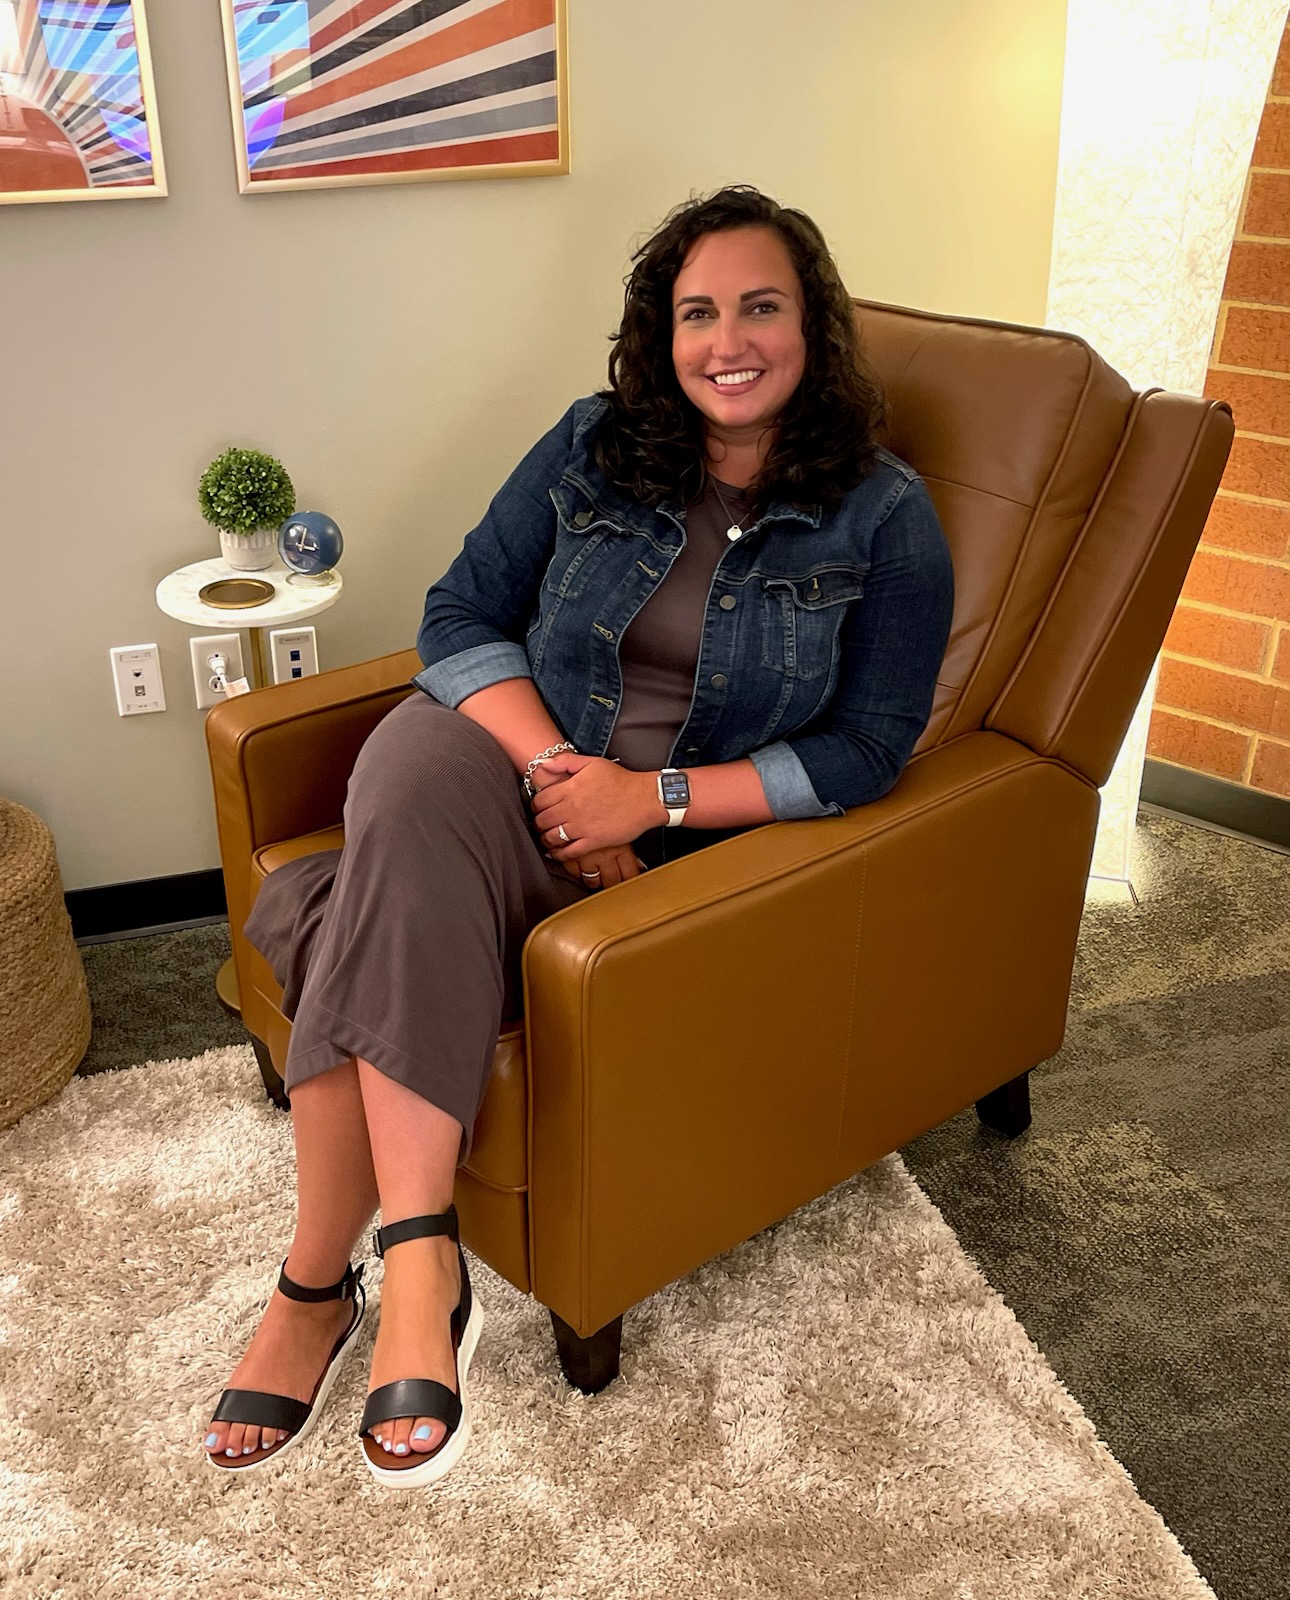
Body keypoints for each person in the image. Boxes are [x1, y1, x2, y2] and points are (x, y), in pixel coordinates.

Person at [200, 185, 955, 1489]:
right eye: (696, 312)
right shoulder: (593, 444)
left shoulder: (883, 516)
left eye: (759, 307)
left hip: (686, 844)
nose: (728, 340)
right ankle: (422, 1254)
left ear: (811, 327)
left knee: (329, 913)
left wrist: (646, 803)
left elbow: (866, 749)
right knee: (410, 752)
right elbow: (458, 617)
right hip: (526, 778)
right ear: (660, 335)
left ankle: (313, 1285)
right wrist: (562, 771)